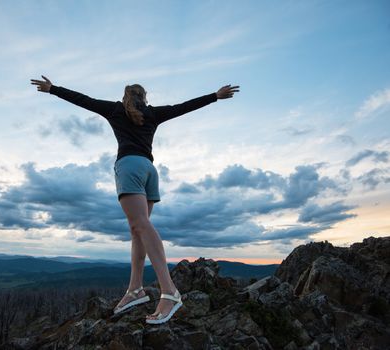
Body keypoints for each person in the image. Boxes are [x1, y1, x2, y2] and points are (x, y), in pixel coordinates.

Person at [30, 75, 239, 324]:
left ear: (125, 97)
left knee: (140, 225)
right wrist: (214, 96)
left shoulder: (116, 110)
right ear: (145, 97)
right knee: (137, 229)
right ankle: (135, 290)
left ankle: (169, 292)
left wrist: (53, 89)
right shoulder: (152, 114)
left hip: (129, 167)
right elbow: (183, 107)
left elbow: (83, 100)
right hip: (150, 170)